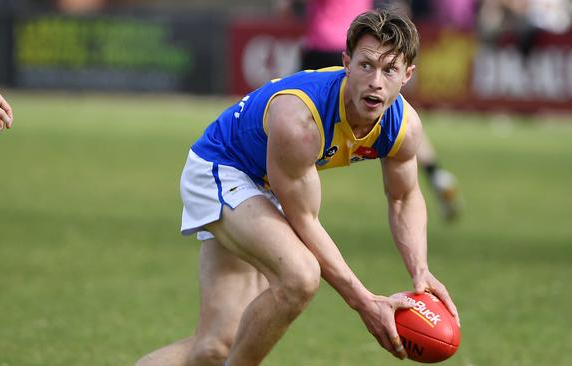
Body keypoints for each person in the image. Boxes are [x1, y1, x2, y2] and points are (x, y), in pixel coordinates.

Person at [136, 9, 459, 366]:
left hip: (265, 186)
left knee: (215, 346)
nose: (376, 82)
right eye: (366, 66)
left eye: (390, 70)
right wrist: (364, 301)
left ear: (407, 76)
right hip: (222, 169)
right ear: (346, 62)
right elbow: (304, 221)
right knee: (300, 275)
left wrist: (420, 271)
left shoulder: (403, 126)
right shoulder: (300, 119)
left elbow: (403, 197)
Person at [278, 0, 462, 221]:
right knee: (399, 119)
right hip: (365, 48)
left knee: (293, 110)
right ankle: (435, 171)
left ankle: (285, 186)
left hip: (333, 48)